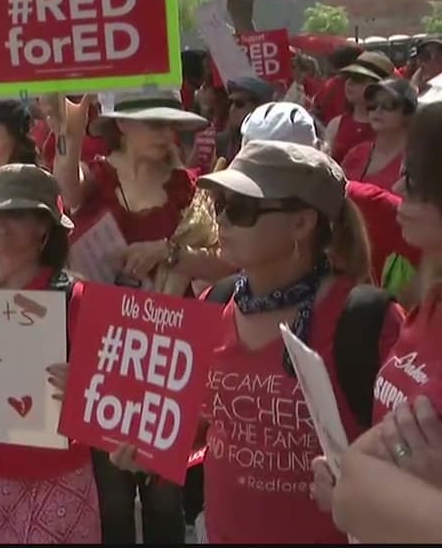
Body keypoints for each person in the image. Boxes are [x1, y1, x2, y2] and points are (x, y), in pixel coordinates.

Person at [114, 140, 402, 544]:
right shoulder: (215, 302)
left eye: (243, 209)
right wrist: (140, 437)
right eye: (221, 206)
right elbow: (194, 425)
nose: (224, 222)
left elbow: (409, 464)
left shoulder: (367, 321)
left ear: (302, 223)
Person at [51, 88, 207, 544]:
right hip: (106, 351)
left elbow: (223, 261)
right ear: (123, 127)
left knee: (163, 499)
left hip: (167, 358)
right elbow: (65, 187)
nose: (167, 134)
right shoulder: (97, 179)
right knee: (112, 498)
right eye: (155, 123)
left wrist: (169, 251)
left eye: (171, 124)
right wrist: (70, 133)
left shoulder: (188, 188)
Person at [0, 164, 97, 543]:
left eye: (15, 214)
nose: (0, 223)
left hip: (56, 477)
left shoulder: (75, 300)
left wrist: (83, 385)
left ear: (44, 228)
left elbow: (108, 396)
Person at [311, 101, 442, 521]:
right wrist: (355, 479)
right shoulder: (427, 308)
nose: (400, 187)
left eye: (420, 178)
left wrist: (364, 492)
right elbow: (357, 479)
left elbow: (355, 497)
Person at [239, 101, 421, 297]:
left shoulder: (364, 200)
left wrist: (411, 307)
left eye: (278, 170)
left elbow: (431, 250)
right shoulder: (233, 202)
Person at [340, 77, 415, 192]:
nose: (378, 110)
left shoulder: (415, 161)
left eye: (388, 104)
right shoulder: (357, 153)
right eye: (373, 104)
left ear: (408, 112)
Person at [324, 51, 393, 162]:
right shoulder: (336, 124)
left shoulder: (390, 126)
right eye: (348, 77)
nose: (349, 83)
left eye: (358, 79)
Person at [216, 76, 274, 163]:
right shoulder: (222, 141)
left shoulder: (271, 143)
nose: (232, 109)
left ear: (259, 107)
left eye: (239, 104)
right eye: (230, 103)